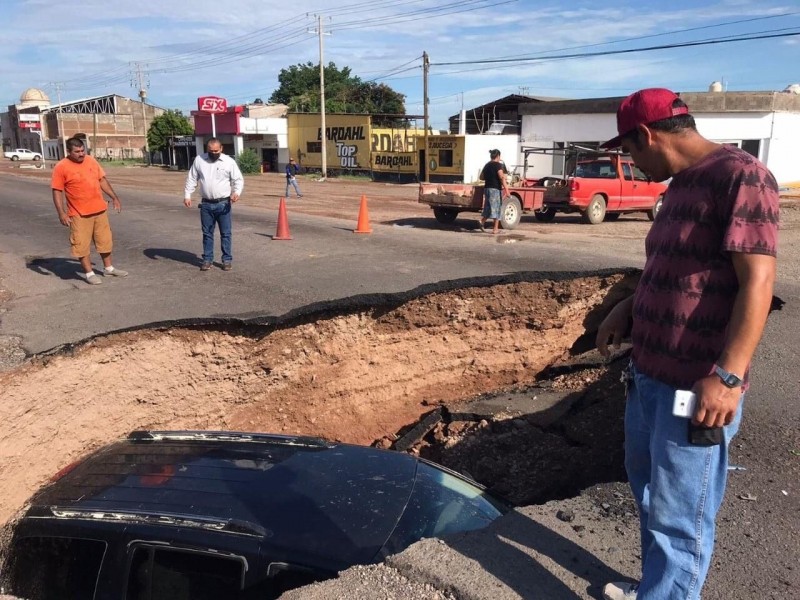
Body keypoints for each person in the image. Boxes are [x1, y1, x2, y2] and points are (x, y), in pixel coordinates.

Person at [595, 88, 779, 600]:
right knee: (651, 498)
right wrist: (626, 306)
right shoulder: (677, 186)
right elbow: (668, 264)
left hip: (697, 390)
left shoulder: (741, 177)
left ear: (648, 135)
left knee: (680, 516)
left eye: (629, 150)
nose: (630, 161)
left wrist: (728, 376)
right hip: (649, 375)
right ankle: (658, 589)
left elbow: (758, 282)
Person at [51, 137, 128, 285]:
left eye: (82, 150)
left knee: (105, 240)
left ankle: (109, 268)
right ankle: (89, 273)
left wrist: (114, 198)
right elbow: (57, 191)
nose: (81, 154)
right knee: (81, 244)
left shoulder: (91, 161)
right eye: (77, 152)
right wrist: (61, 212)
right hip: (79, 213)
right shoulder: (61, 167)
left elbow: (102, 180)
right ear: (68, 151)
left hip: (99, 209)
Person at [183, 138, 244, 271]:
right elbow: (192, 178)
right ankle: (207, 259)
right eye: (211, 151)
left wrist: (236, 192)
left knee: (226, 234)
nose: (214, 153)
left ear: (221, 149)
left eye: (216, 151)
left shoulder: (229, 162)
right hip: (206, 205)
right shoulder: (199, 160)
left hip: (223, 204)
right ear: (207, 149)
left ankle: (226, 260)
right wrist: (188, 195)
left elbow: (238, 179)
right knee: (207, 233)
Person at [478, 149, 509, 234]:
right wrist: (507, 190)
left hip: (487, 188)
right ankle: (495, 229)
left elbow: (481, 177)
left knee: (489, 207)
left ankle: (482, 221)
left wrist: (490, 176)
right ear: (498, 156)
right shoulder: (498, 165)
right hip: (495, 189)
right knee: (497, 208)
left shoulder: (487, 165)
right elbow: (502, 177)